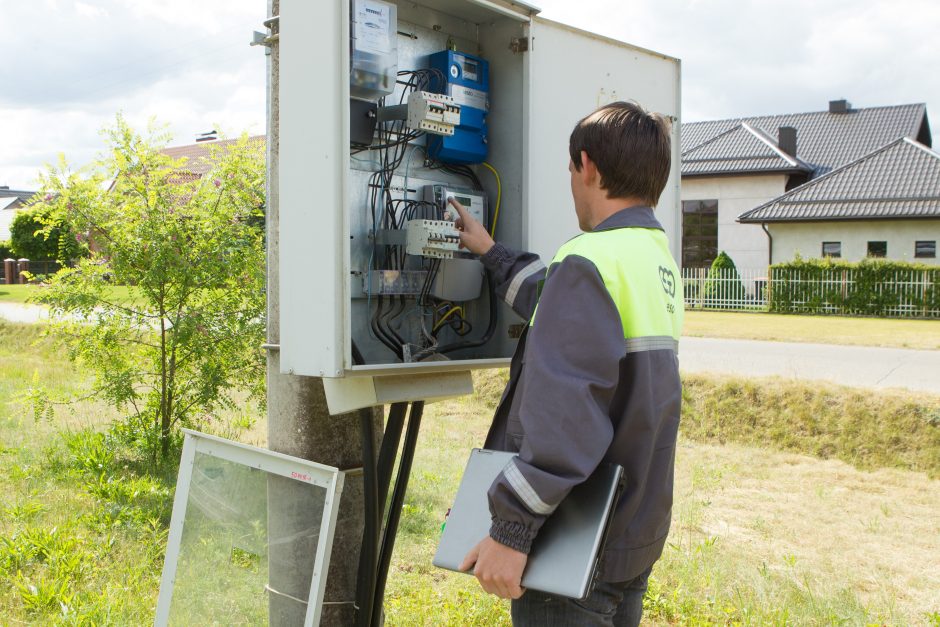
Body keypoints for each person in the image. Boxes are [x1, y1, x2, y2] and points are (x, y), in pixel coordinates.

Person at [450, 100, 683, 626]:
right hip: (629, 532)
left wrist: (511, 531)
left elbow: (566, 421)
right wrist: (491, 252)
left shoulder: (588, 261)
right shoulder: (652, 258)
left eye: (571, 170)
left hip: (570, 550)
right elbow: (555, 304)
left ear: (588, 166)